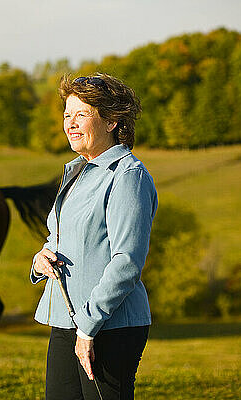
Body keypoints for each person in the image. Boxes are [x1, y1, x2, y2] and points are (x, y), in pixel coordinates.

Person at [31, 73, 158, 400]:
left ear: (112, 121)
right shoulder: (76, 171)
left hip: (108, 326)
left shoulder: (128, 176)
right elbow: (59, 236)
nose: (70, 123)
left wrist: (89, 327)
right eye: (67, 115)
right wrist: (41, 258)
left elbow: (126, 263)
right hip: (66, 319)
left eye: (82, 115)